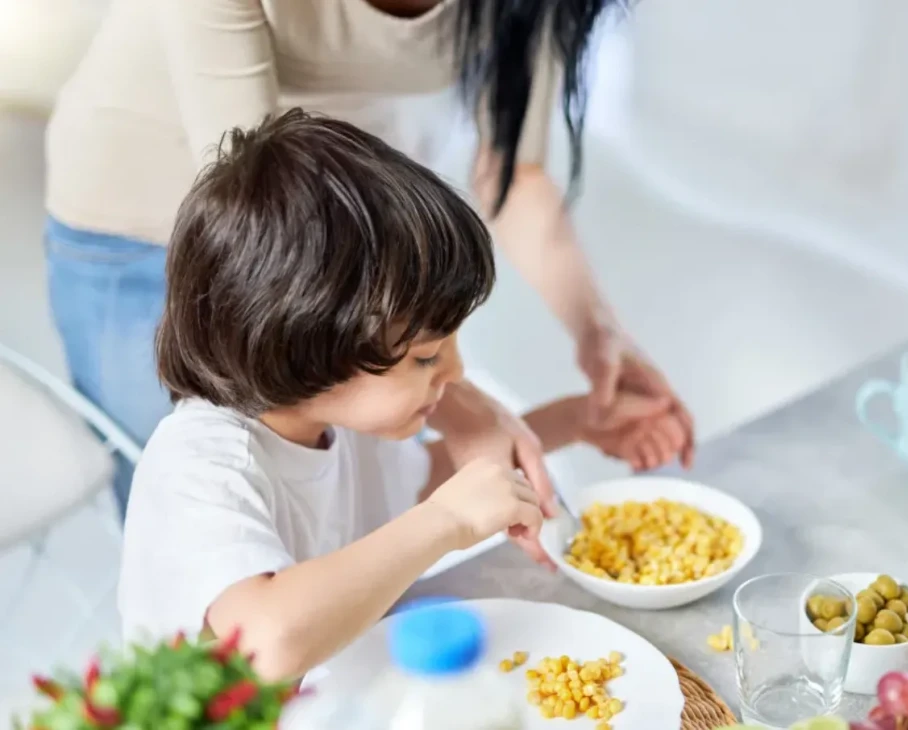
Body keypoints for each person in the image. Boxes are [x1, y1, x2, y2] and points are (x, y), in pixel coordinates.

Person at [44, 0, 694, 517]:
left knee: (348, 494)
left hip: (346, 239)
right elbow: (258, 209)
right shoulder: (268, 228)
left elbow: (515, 176)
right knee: (211, 506)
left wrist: (598, 334)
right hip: (163, 219)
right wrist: (445, 389)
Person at [117, 111, 680, 678]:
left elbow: (410, 485)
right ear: (305, 346)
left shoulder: (335, 422)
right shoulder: (200, 463)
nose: (456, 372)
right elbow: (265, 642)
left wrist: (574, 420)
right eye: (426, 356)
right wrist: (447, 522)